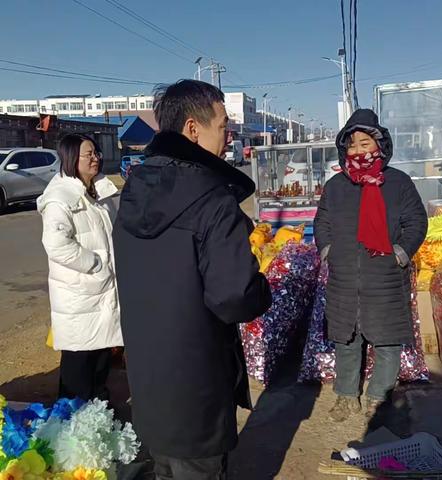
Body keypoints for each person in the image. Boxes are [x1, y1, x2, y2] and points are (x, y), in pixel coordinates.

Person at [113, 80, 272, 480]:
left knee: (165, 468)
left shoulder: (132, 192)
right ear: (192, 129)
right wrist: (262, 287)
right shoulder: (213, 199)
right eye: (223, 125)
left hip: (149, 382)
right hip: (197, 383)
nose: (229, 134)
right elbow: (234, 296)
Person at [314, 109, 427, 422]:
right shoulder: (336, 186)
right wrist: (327, 249)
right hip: (346, 276)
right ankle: (347, 396)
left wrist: (401, 252)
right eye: (352, 145)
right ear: (344, 149)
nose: (359, 150)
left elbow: (416, 221)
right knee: (347, 341)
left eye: (365, 143)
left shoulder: (398, 183)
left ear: (379, 145)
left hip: (386, 275)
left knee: (387, 342)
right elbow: (321, 220)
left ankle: (379, 396)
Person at [37, 133, 122, 401]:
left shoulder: (99, 192)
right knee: (78, 364)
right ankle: (72, 426)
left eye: (96, 153)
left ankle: (98, 418)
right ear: (72, 158)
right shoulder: (59, 198)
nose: (95, 158)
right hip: (80, 294)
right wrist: (96, 264)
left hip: (102, 293)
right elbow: (57, 244)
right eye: (89, 154)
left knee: (100, 360)